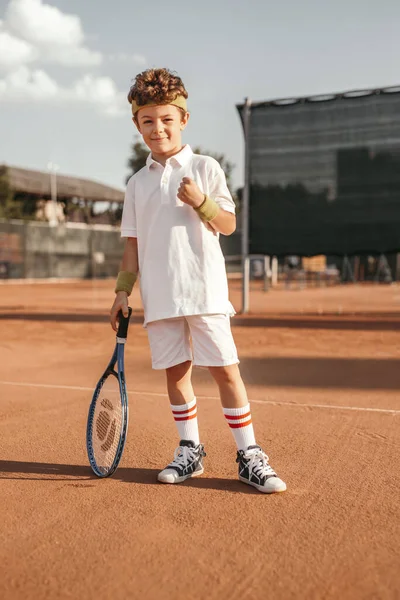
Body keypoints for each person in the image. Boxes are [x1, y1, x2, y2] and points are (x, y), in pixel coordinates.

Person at [110, 68, 286, 494]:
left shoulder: (206, 168)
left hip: (205, 293)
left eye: (167, 119)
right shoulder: (136, 184)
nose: (158, 128)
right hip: (161, 297)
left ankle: (249, 456)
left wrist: (200, 201)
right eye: (148, 121)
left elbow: (227, 224)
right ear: (137, 125)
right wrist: (121, 292)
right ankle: (190, 450)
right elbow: (131, 246)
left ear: (183, 119)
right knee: (177, 374)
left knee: (225, 371)